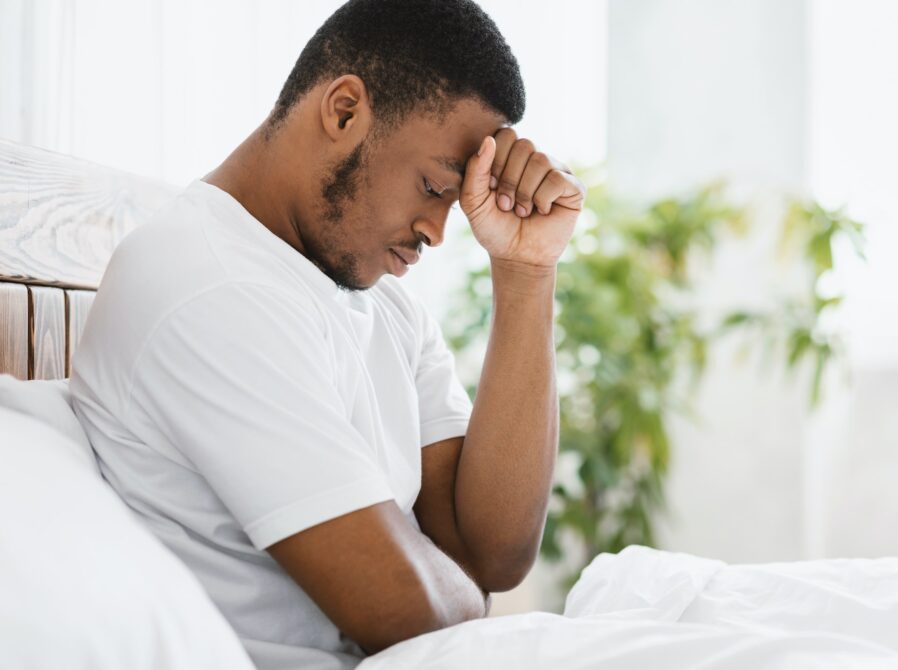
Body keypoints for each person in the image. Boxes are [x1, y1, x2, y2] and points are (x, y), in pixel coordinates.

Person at [69, 0, 585, 668]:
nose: (437, 230)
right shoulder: (209, 284)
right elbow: (409, 612)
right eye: (433, 186)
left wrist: (525, 270)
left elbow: (494, 555)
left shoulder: (383, 305)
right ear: (344, 111)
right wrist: (453, 580)